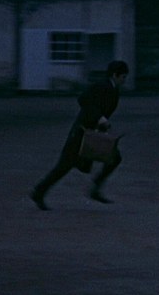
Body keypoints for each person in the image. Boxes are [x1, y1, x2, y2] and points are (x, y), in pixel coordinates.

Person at [30, 60, 129, 210]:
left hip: (93, 134)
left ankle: (95, 187)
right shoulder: (102, 86)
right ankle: (39, 192)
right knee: (64, 165)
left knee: (114, 158)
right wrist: (99, 117)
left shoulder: (113, 89)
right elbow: (83, 99)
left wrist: (102, 123)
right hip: (81, 133)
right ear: (115, 75)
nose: (124, 80)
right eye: (123, 77)